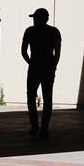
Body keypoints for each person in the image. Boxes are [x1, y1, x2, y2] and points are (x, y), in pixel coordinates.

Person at [21, 8, 62, 137]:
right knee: (46, 97)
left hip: (37, 69)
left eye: (36, 18)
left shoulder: (30, 31)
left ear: (44, 19)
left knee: (32, 97)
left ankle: (36, 126)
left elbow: (23, 51)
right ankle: (42, 128)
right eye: (34, 18)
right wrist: (53, 68)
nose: (34, 20)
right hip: (45, 69)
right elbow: (57, 53)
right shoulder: (54, 32)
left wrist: (31, 63)